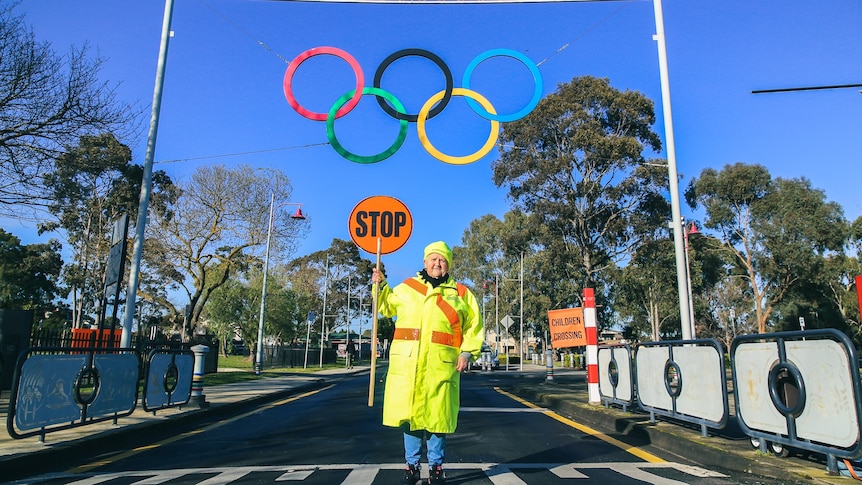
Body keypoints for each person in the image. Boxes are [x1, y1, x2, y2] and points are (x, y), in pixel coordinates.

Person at [372, 241, 484, 485]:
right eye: (433, 259)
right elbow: (384, 305)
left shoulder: (462, 294)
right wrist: (379, 285)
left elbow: (474, 328)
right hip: (408, 368)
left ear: (449, 264)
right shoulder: (407, 288)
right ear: (424, 262)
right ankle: (411, 466)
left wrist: (467, 353)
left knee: (437, 420)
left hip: (441, 368)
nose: (437, 263)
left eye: (442, 260)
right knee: (409, 419)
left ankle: (436, 468)